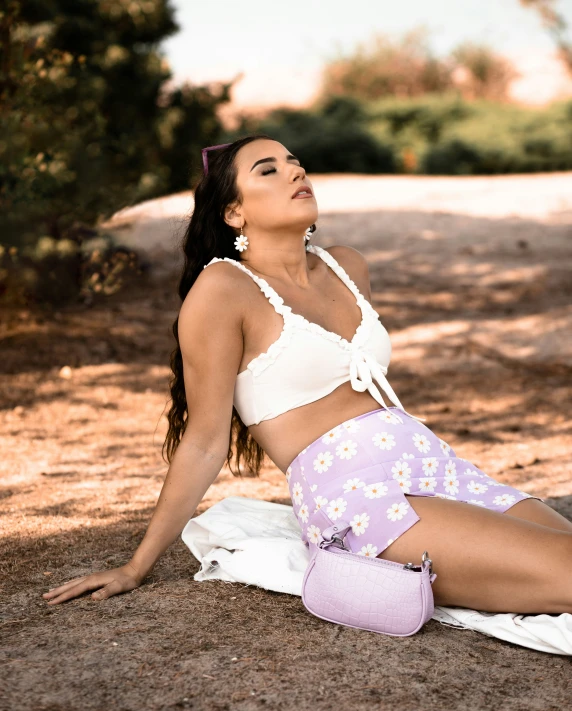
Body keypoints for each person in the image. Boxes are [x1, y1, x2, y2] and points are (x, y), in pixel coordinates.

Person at [43, 135, 572, 615]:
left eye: (294, 162)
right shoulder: (224, 290)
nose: (296, 172)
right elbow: (204, 442)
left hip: (438, 465)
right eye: (267, 170)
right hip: (358, 496)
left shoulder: (347, 265)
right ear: (233, 212)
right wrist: (137, 566)